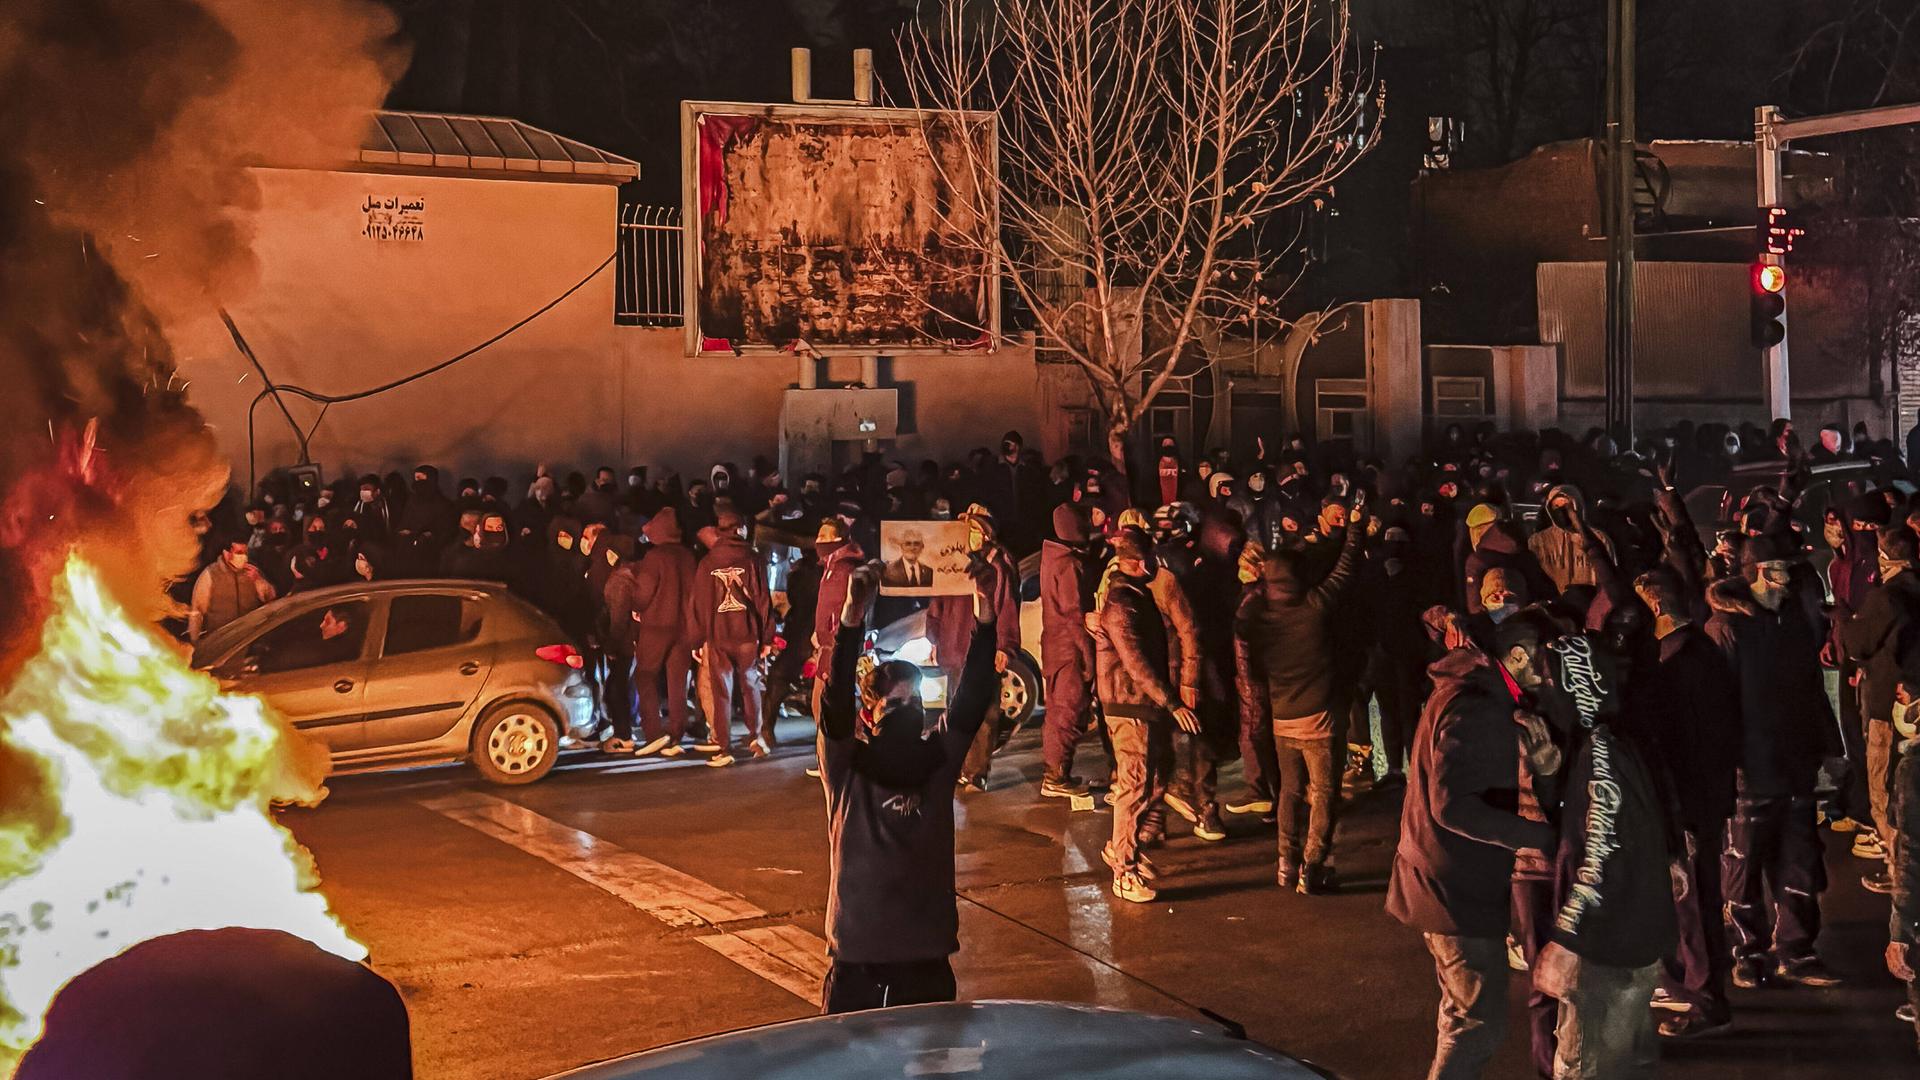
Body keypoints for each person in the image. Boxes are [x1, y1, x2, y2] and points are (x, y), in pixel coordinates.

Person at [816, 561, 1000, 1013]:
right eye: (895, 703)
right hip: (858, 955)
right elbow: (835, 700)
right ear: (869, 715)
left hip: (926, 953)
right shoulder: (846, 767)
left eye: (915, 701)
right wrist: (852, 615)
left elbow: (973, 696)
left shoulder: (936, 761)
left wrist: (986, 608)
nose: (908, 710)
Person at [1388, 608, 1563, 1080]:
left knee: (1462, 1011)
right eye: (1549, 661)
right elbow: (1454, 807)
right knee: (1476, 1020)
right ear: (1520, 655)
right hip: (1453, 885)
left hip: (1442, 877)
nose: (1554, 675)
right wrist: (1539, 836)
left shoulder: (1470, 691)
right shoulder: (1481, 706)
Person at [1532, 632, 1684, 1080]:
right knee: (1626, 1064)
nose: (1542, 688)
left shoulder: (1601, 752)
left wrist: (1566, 940)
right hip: (1634, 935)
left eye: (1549, 678)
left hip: (1605, 948)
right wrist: (1548, 776)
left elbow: (1599, 851)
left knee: (1586, 1067)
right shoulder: (1616, 740)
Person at [1706, 537, 1844, 988]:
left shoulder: (1792, 623)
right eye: (1781, 570)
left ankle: (1797, 951)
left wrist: (1830, 748)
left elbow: (1810, 690)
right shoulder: (1727, 629)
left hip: (1795, 765)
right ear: (1759, 573)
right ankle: (1748, 951)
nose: (1790, 580)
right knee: (1742, 868)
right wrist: (1726, 766)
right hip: (1751, 771)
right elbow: (1719, 705)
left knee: (1801, 863)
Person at [1235, 489, 1366, 893]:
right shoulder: (1313, 606)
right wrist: (1356, 530)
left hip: (1282, 718)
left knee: (1289, 793)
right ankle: (1313, 866)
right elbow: (1344, 571)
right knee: (1324, 793)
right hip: (1320, 719)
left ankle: (1285, 864)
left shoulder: (1260, 617)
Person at [1629, 567, 1741, 1040]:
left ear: (1655, 608)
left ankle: (1704, 999)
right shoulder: (1704, 652)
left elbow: (1682, 744)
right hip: (1706, 799)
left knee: (1693, 901)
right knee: (1698, 898)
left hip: (1689, 805)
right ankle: (1696, 987)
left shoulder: (1675, 664)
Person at [1094, 528, 1202, 904]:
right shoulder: (1123, 603)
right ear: (1141, 562)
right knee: (1135, 785)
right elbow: (1136, 663)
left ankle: (1124, 849)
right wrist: (1173, 703)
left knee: (1153, 783)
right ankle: (1123, 870)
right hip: (1130, 707)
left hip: (1142, 705)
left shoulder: (1133, 596)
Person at [1840, 524, 1920, 894]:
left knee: (1885, 793)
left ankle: (1899, 874)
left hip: (1888, 707)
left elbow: (1859, 645)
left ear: (1885, 556)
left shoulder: (1885, 598)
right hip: (1913, 706)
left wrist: (1843, 622)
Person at [924, 506, 1020, 791]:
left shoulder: (998, 565)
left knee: (985, 712)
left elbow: (1008, 607)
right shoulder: (951, 563)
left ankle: (976, 771)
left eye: (976, 531)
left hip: (982, 647)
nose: (971, 537)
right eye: (967, 531)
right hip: (954, 645)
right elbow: (937, 603)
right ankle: (956, 765)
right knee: (955, 710)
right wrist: (935, 638)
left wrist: (1006, 645)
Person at [687, 510, 772, 767]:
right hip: (747, 634)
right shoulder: (753, 560)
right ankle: (756, 736)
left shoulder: (707, 562)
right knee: (750, 685)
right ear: (740, 529)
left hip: (717, 635)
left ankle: (723, 747)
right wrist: (767, 635)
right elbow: (762, 600)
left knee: (720, 690)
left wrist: (696, 639)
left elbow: (698, 605)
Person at [1039, 503, 1099, 798]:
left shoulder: (1052, 558)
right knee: (1067, 711)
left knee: (1056, 711)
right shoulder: (1070, 565)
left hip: (1053, 646)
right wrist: (1088, 657)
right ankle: (1056, 776)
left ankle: (1056, 772)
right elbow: (1075, 614)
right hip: (1068, 648)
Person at [629, 509, 696, 756]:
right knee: (677, 682)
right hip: (684, 628)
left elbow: (644, 592)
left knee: (645, 676)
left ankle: (654, 734)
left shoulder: (654, 557)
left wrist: (636, 607)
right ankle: (676, 735)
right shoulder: (688, 556)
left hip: (656, 627)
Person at [188, 538, 276, 643]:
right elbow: (197, 611)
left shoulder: (252, 572)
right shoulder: (211, 574)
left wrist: (258, 580)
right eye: (239, 552)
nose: (244, 556)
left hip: (248, 639)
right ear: (227, 554)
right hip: (220, 641)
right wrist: (195, 641)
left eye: (245, 552)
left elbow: (270, 597)